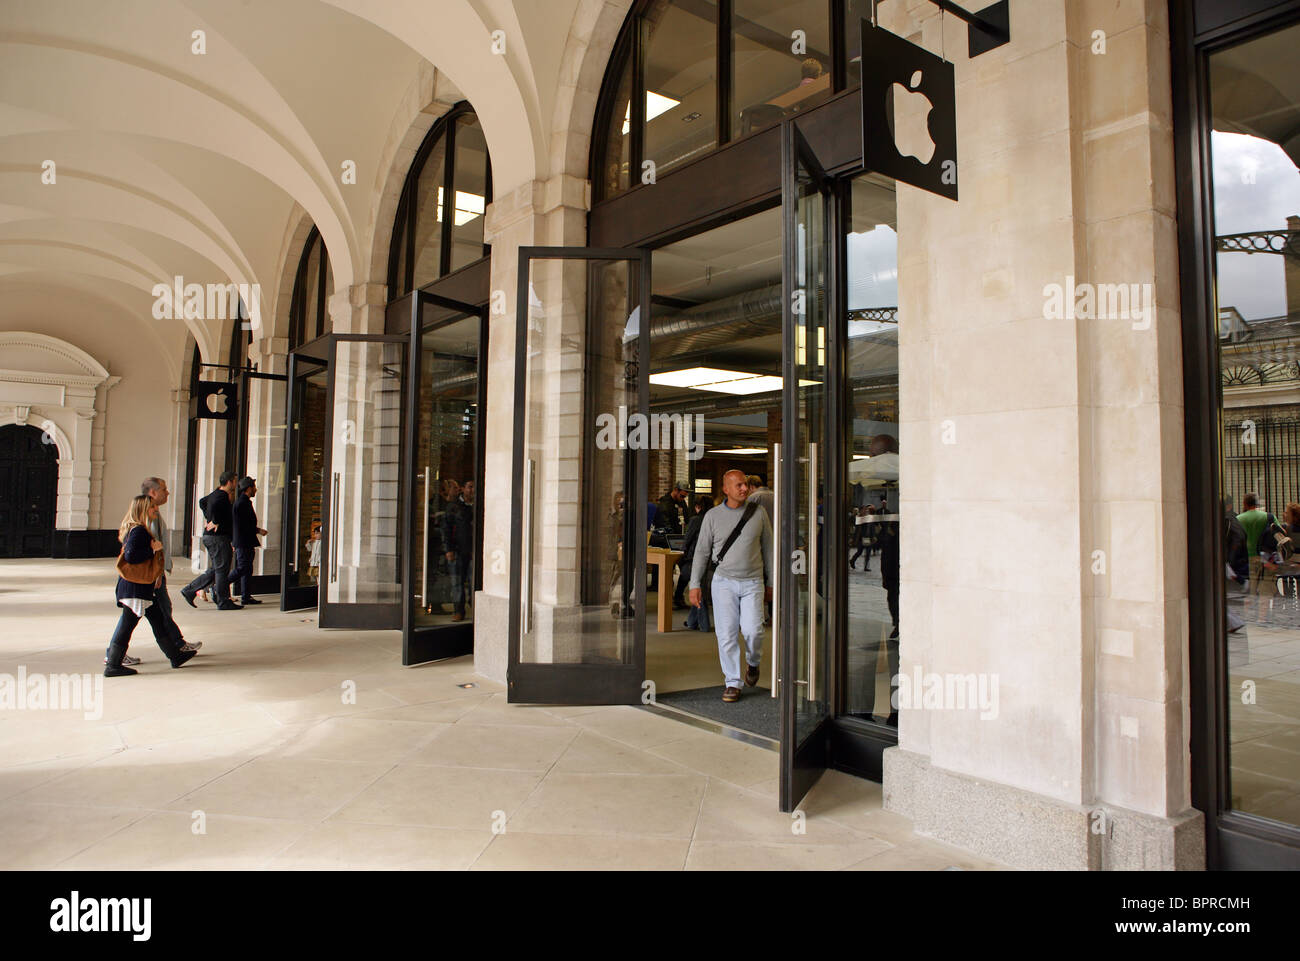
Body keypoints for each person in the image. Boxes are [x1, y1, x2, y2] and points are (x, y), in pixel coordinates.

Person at [689, 470, 773, 702]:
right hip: (723, 582)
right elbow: (702, 552)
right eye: (738, 485)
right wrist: (694, 584)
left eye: (745, 484)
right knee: (726, 635)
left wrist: (772, 583)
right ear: (726, 489)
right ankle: (733, 682)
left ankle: (753, 663)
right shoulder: (713, 516)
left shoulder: (759, 513)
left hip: (753, 582)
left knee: (754, 630)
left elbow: (769, 548)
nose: (744, 489)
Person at [104, 495, 197, 676]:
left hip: (138, 587)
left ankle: (175, 655)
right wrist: (152, 549)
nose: (156, 509)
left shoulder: (135, 528)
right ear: (144, 509)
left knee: (157, 618)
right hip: (136, 588)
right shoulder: (139, 530)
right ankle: (113, 664)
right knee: (127, 624)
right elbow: (131, 556)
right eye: (153, 507)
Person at [134, 477, 200, 664]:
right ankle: (177, 645)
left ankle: (177, 646)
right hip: (152, 573)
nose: (168, 492)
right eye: (164, 489)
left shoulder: (151, 513)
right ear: (153, 492)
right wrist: (157, 572)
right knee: (157, 610)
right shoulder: (148, 515)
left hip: (154, 572)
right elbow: (151, 546)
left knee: (151, 612)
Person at [181, 470, 239, 610]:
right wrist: (214, 520)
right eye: (235, 481)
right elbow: (217, 510)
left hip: (212, 537)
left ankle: (190, 590)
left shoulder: (215, 494)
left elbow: (202, 502)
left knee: (218, 569)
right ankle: (223, 600)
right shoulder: (222, 496)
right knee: (221, 570)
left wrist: (210, 518)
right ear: (230, 481)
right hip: (218, 538)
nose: (236, 484)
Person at [441, 479, 475, 621]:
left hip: (473, 552)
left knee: (474, 581)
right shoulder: (454, 507)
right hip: (457, 551)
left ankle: (475, 609)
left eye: (474, 487)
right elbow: (446, 529)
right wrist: (448, 549)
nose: (472, 490)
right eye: (470, 487)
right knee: (457, 582)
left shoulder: (478, 506)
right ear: (463, 489)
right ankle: (458, 611)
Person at [231, 476, 267, 605]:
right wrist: (257, 530)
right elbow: (242, 525)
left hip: (245, 541)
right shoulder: (242, 503)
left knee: (247, 569)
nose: (256, 490)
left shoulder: (244, 502)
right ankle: (218, 586)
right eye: (254, 487)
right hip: (243, 542)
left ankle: (246, 596)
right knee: (242, 568)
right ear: (248, 489)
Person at [682, 495, 712, 631]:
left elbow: (687, 539)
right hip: (712, 560)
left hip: (696, 558)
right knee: (701, 588)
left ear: (698, 506)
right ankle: (691, 621)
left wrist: (683, 553)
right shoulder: (714, 518)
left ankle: (704, 625)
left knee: (698, 589)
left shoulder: (695, 520)